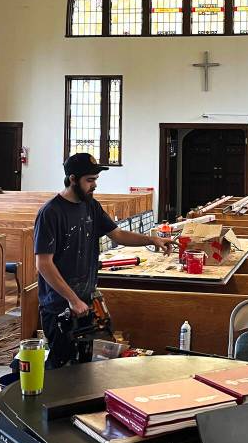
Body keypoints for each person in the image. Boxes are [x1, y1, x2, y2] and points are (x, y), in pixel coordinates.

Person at [35, 152, 171, 367]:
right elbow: (44, 264)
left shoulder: (91, 206)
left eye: (96, 179)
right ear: (72, 179)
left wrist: (152, 240)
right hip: (60, 305)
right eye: (90, 180)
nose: (95, 185)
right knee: (61, 368)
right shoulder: (51, 213)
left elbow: (118, 234)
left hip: (85, 300)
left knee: (84, 366)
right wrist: (73, 300)